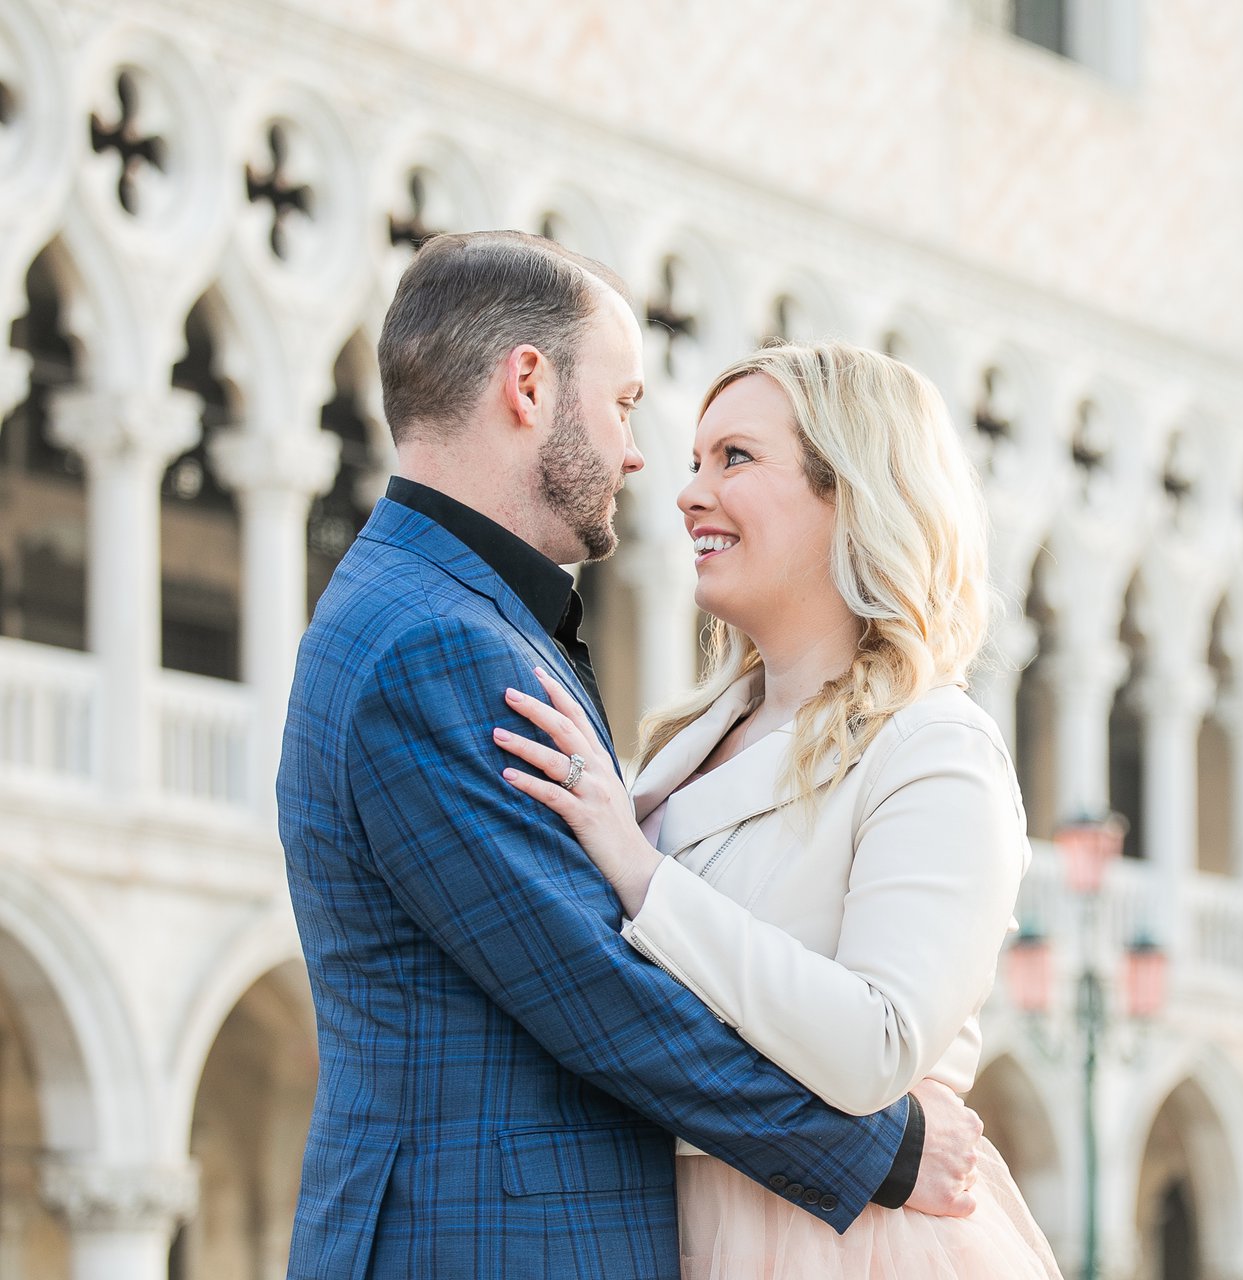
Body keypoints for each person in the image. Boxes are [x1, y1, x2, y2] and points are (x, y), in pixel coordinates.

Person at [278, 231, 981, 1280]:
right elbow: (599, 989)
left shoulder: (451, 613)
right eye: (623, 404)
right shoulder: (438, 636)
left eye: (730, 458)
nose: (646, 458)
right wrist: (880, 1148)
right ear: (528, 384)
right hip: (485, 1241)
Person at [495, 340, 1064, 1276]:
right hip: (676, 1219)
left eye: (736, 459)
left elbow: (877, 1045)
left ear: (851, 494)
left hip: (835, 1239)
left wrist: (640, 875)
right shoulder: (691, 734)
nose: (687, 495)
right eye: (693, 462)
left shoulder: (935, 750)